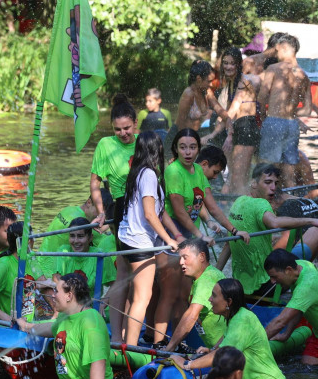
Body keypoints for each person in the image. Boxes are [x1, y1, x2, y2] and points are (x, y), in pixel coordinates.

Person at [156, 130, 249, 343]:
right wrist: (200, 236)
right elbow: (178, 211)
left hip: (191, 242)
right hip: (172, 239)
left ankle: (181, 341)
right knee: (169, 294)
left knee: (185, 294)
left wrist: (233, 230)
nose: (187, 152)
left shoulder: (198, 170)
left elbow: (211, 206)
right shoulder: (173, 171)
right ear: (176, 149)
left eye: (192, 147)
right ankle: (158, 343)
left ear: (198, 150)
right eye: (182, 147)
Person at [222, 165, 318, 302]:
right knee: (315, 233)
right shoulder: (261, 204)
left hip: (240, 285)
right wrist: (311, 220)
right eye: (268, 182)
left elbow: (228, 244)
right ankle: (301, 289)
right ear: (253, 183)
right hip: (269, 286)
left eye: (276, 183)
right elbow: (274, 223)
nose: (273, 188)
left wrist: (215, 276)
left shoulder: (238, 202)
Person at [115, 131, 181, 345]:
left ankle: (122, 338)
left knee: (129, 291)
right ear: (157, 150)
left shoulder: (137, 172)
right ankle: (131, 349)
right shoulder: (150, 175)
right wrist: (168, 240)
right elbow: (149, 213)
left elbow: (160, 211)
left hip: (125, 237)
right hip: (139, 242)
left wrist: (176, 233)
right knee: (142, 298)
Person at [17, 273, 116, 379]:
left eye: (56, 291)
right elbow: (52, 328)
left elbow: (98, 364)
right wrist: (27, 327)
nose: (53, 295)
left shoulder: (90, 321)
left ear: (69, 296)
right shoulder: (66, 316)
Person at [172, 278, 289, 379]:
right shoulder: (238, 316)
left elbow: (223, 356)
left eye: (214, 295)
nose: (209, 299)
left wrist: (187, 364)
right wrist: (211, 350)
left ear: (229, 302)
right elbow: (223, 344)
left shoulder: (242, 321)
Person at [257, 33, 318, 189]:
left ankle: (264, 206)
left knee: (268, 169)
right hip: (292, 126)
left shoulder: (274, 69)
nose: (276, 54)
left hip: (274, 122)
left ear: (284, 48)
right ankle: (290, 202)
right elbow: (308, 110)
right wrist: (291, 114)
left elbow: (261, 98)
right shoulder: (303, 75)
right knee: (289, 172)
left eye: (277, 50)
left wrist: (263, 118)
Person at [163, 239, 229, 353]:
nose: (181, 262)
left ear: (201, 257)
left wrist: (169, 348)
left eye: (185, 257)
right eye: (180, 258)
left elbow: (192, 315)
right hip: (217, 350)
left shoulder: (207, 279)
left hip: (226, 352)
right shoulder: (202, 277)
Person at [0, 222, 47, 322]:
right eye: (32, 237)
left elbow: (41, 283)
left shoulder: (31, 260)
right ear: (27, 241)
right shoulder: (4, 264)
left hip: (27, 325)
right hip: (5, 327)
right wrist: (11, 320)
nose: (33, 241)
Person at [216, 48, 263, 195]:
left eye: (232, 63)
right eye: (225, 63)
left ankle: (244, 213)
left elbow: (233, 111)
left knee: (239, 179)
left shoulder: (243, 82)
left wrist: (220, 134)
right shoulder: (232, 82)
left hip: (246, 129)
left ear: (238, 65)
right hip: (241, 128)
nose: (228, 67)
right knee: (236, 178)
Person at [90, 94, 138, 229]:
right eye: (117, 129)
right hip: (122, 208)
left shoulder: (145, 142)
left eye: (127, 128)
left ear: (135, 123)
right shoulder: (105, 145)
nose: (123, 133)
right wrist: (101, 213)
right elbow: (95, 183)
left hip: (147, 206)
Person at [38, 191, 112, 277]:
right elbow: (105, 240)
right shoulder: (82, 224)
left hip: (40, 264)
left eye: (104, 214)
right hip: (51, 272)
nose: (101, 216)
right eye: (99, 211)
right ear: (89, 202)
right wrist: (111, 221)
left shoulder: (68, 210)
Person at [168, 60, 231, 150]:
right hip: (179, 136)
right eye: (209, 81)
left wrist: (228, 119)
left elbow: (218, 109)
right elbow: (181, 123)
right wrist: (184, 145)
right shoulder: (188, 94)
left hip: (195, 136)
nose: (212, 84)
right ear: (199, 79)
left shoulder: (206, 91)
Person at [55, 217, 117, 293]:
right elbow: (56, 278)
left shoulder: (100, 256)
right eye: (72, 236)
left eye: (80, 236)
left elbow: (115, 285)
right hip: (68, 302)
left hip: (92, 303)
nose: (75, 241)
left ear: (90, 238)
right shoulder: (63, 252)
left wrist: (102, 304)